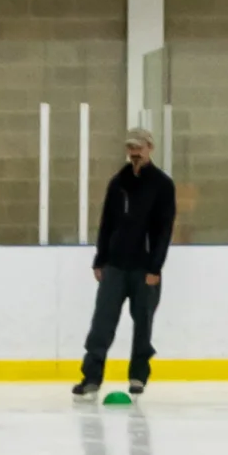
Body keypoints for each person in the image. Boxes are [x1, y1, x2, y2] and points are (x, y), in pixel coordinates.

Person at [72, 127, 177, 400]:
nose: (134, 153)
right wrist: (100, 259)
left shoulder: (163, 185)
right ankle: (92, 377)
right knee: (102, 323)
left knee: (143, 324)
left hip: (145, 269)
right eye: (131, 148)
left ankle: (138, 375)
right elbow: (107, 223)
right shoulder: (118, 182)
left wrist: (156, 268)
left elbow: (164, 230)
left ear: (150, 149)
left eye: (139, 148)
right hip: (115, 266)